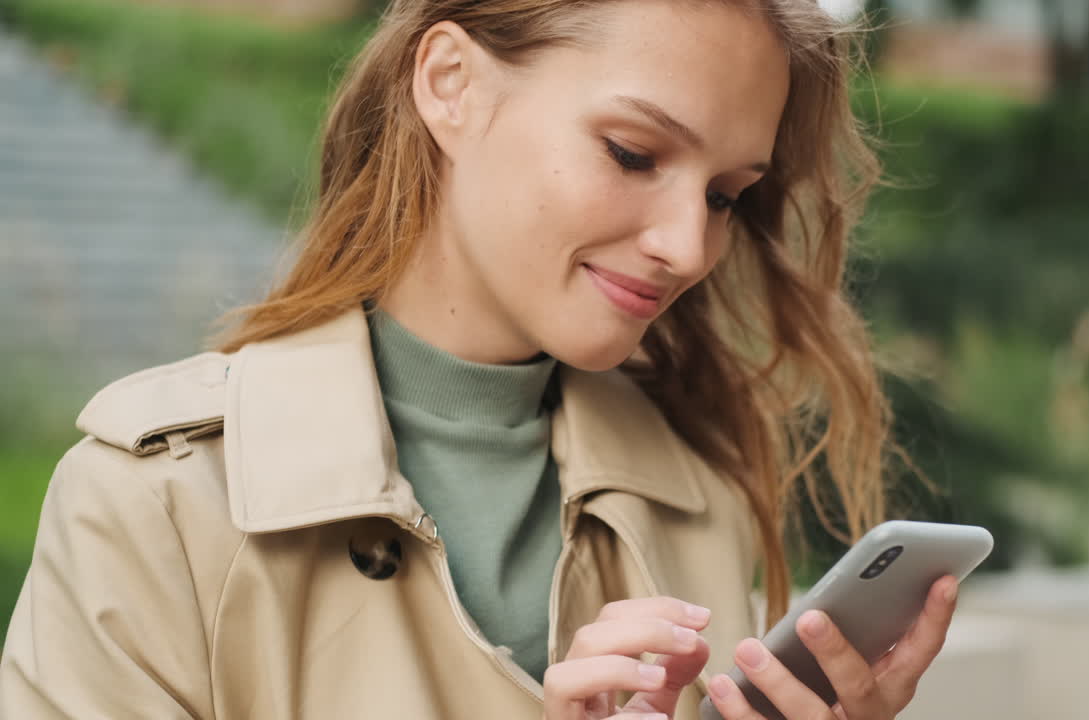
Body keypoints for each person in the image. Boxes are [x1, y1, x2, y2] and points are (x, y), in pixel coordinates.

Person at [0, 0, 959, 717]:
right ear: (450, 84)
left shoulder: (692, 493)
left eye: (724, 196)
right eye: (633, 152)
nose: (688, 244)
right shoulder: (154, 505)